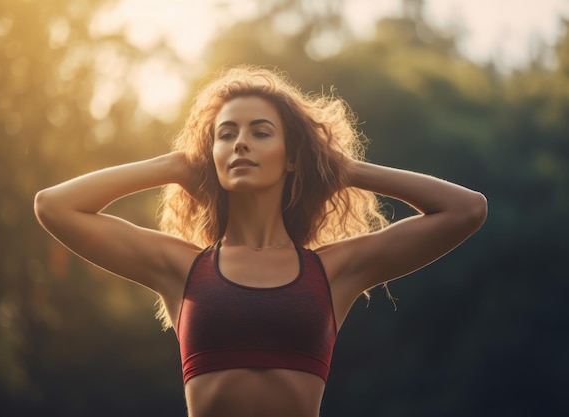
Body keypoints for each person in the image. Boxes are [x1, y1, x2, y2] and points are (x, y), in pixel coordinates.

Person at [34, 65, 487, 417]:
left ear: (291, 158)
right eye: (225, 134)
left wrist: (343, 171)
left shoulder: (332, 271)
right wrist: (172, 164)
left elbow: (466, 209)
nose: (241, 144)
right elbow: (53, 206)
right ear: (210, 156)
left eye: (260, 132)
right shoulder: (182, 268)